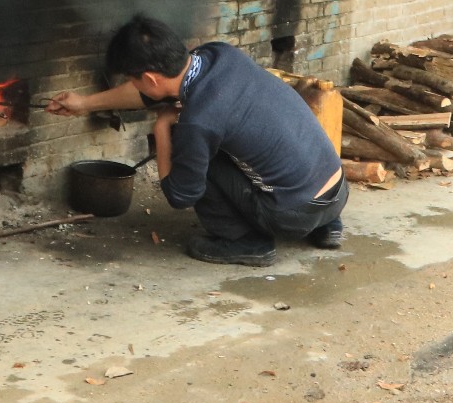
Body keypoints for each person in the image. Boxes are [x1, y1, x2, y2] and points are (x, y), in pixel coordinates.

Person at [47, 14, 346, 266]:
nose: (133, 85)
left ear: (149, 79)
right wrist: (84, 103)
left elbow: (180, 195)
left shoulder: (199, 121)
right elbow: (150, 92)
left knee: (196, 155)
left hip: (294, 215)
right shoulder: (218, 55)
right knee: (242, 144)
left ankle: (247, 243)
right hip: (337, 191)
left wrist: (163, 126)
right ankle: (326, 224)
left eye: (134, 78)